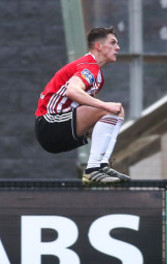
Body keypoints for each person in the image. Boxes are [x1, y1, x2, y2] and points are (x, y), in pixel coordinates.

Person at [35, 26, 130, 185]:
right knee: (110, 109)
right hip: (49, 125)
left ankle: (101, 164)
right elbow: (72, 91)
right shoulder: (88, 66)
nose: (117, 47)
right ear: (98, 46)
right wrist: (105, 106)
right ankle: (93, 169)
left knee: (117, 112)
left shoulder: (97, 74)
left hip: (57, 129)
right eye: (113, 43)